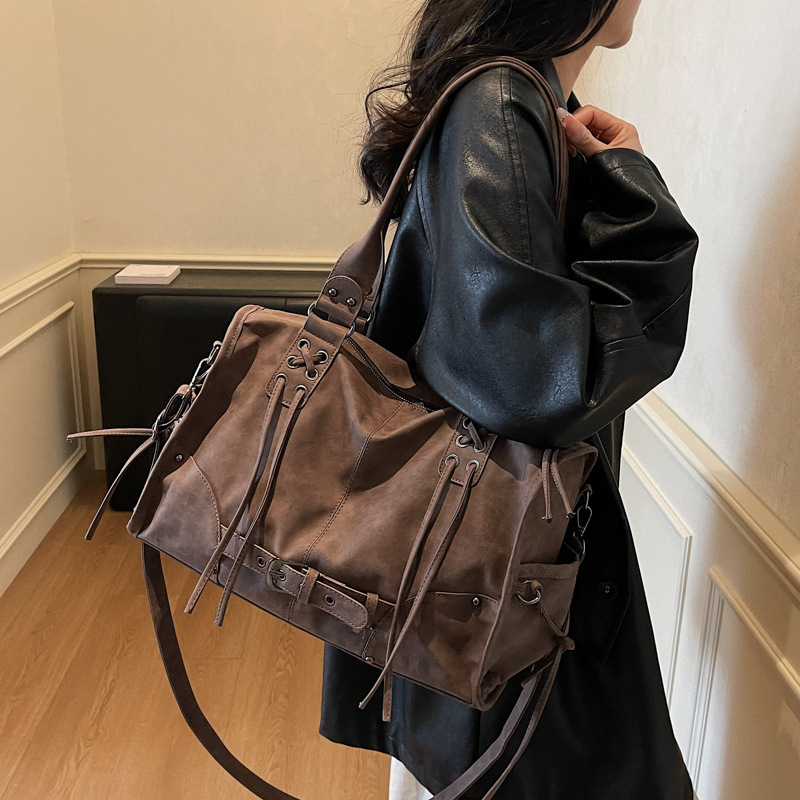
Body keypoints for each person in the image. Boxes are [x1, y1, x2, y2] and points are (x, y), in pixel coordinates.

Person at [319, 1, 699, 798]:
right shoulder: (499, 100)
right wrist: (639, 201)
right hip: (505, 569)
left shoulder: (503, 97)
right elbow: (541, 384)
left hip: (479, 556)